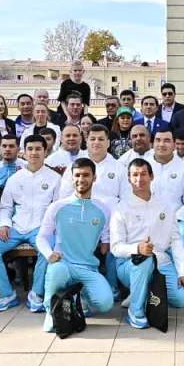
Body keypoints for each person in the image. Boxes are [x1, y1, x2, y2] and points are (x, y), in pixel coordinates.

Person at [0, 134, 61, 312]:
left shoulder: (55, 178)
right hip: (16, 226)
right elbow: (5, 207)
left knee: (48, 249)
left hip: (41, 227)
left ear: (45, 152)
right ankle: (7, 294)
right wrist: (4, 224)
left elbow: (57, 209)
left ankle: (37, 293)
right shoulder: (15, 178)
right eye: (30, 149)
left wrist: (49, 229)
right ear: (24, 152)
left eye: (38, 149)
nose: (34, 153)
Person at [111, 159, 184, 328]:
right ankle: (135, 310)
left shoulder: (165, 206)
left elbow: (176, 239)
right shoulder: (121, 208)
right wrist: (137, 248)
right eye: (134, 175)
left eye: (143, 174)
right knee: (145, 260)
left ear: (151, 176)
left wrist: (183, 272)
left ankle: (139, 294)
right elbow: (115, 248)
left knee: (182, 298)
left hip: (162, 262)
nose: (139, 179)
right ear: (128, 178)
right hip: (131, 264)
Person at [38, 158, 114, 332]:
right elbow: (41, 237)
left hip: (88, 268)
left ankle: (81, 297)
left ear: (94, 178)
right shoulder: (57, 207)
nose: (81, 179)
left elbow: (106, 241)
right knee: (56, 270)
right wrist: (49, 253)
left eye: (86, 175)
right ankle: (51, 312)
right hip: (64, 264)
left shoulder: (103, 210)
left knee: (105, 303)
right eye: (77, 175)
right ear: (72, 178)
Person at [58, 125, 130, 297]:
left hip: (111, 219)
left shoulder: (119, 167)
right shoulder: (74, 167)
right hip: (80, 218)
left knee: (116, 241)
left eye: (101, 139)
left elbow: (126, 199)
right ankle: (79, 287)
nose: (96, 142)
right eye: (92, 139)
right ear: (86, 141)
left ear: (108, 143)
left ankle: (112, 286)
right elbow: (64, 197)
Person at [144, 128, 184, 262]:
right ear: (152, 143)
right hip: (146, 218)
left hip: (177, 219)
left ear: (174, 145)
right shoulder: (143, 166)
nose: (161, 144)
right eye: (158, 140)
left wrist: (173, 219)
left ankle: (182, 278)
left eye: (167, 140)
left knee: (183, 235)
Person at [0, 135, 29, 235]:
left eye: (11, 146)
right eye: (4, 146)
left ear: (18, 149)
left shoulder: (26, 167)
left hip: (21, 209)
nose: (7, 149)